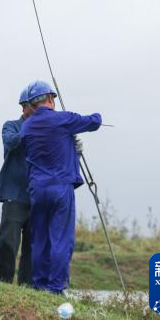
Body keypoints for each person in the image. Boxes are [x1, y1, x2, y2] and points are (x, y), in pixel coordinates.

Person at [19, 80, 102, 295]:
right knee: (61, 239)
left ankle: (39, 285)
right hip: (60, 188)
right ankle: (56, 288)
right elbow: (94, 122)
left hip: (37, 188)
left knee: (40, 240)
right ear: (49, 98)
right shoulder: (62, 119)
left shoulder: (26, 126)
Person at [0, 85, 33, 285]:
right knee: (8, 242)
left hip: (37, 196)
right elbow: (11, 143)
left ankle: (27, 287)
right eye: (34, 106)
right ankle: (2, 284)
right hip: (14, 194)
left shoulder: (45, 131)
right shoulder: (11, 126)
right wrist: (33, 127)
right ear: (24, 107)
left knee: (32, 246)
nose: (38, 110)